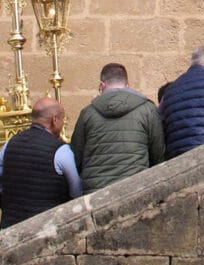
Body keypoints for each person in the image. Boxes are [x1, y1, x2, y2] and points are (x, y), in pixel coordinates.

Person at [0, 98, 82, 229]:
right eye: (63, 119)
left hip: (11, 227)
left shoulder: (11, 143)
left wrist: (10, 193)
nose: (63, 124)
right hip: (47, 227)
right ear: (54, 120)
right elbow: (77, 191)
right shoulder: (61, 150)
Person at [70, 64, 164, 194]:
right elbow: (158, 153)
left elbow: (76, 156)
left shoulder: (87, 113)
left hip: (96, 193)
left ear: (102, 85)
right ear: (128, 85)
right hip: (135, 188)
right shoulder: (148, 109)